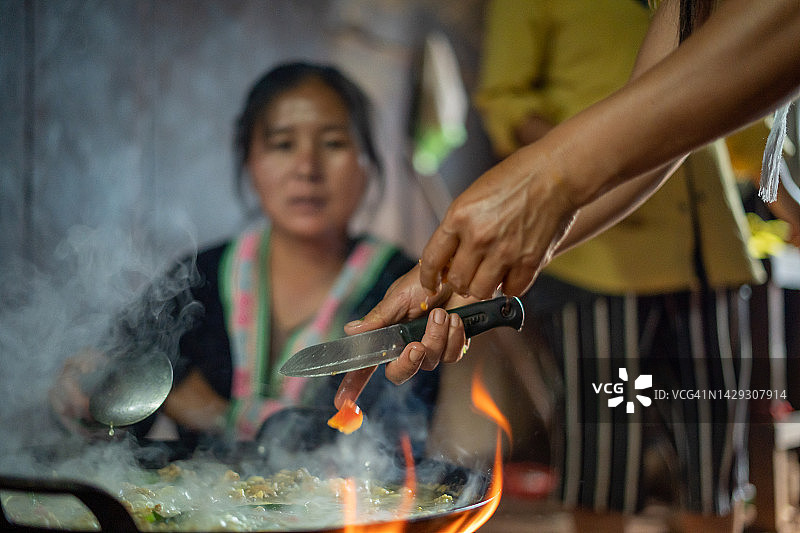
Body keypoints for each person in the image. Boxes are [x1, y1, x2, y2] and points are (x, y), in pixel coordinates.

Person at [334, 0, 800, 400]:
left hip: (708, 255)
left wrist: (547, 182)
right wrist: (469, 271)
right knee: (607, 448)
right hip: (606, 257)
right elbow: (658, 127)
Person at [49, 62, 441, 456]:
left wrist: (213, 412)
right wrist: (87, 392)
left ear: (367, 164)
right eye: (283, 145)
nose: (307, 169)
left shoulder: (406, 288)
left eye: (334, 143)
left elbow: (396, 443)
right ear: (250, 163)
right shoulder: (199, 277)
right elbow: (119, 393)